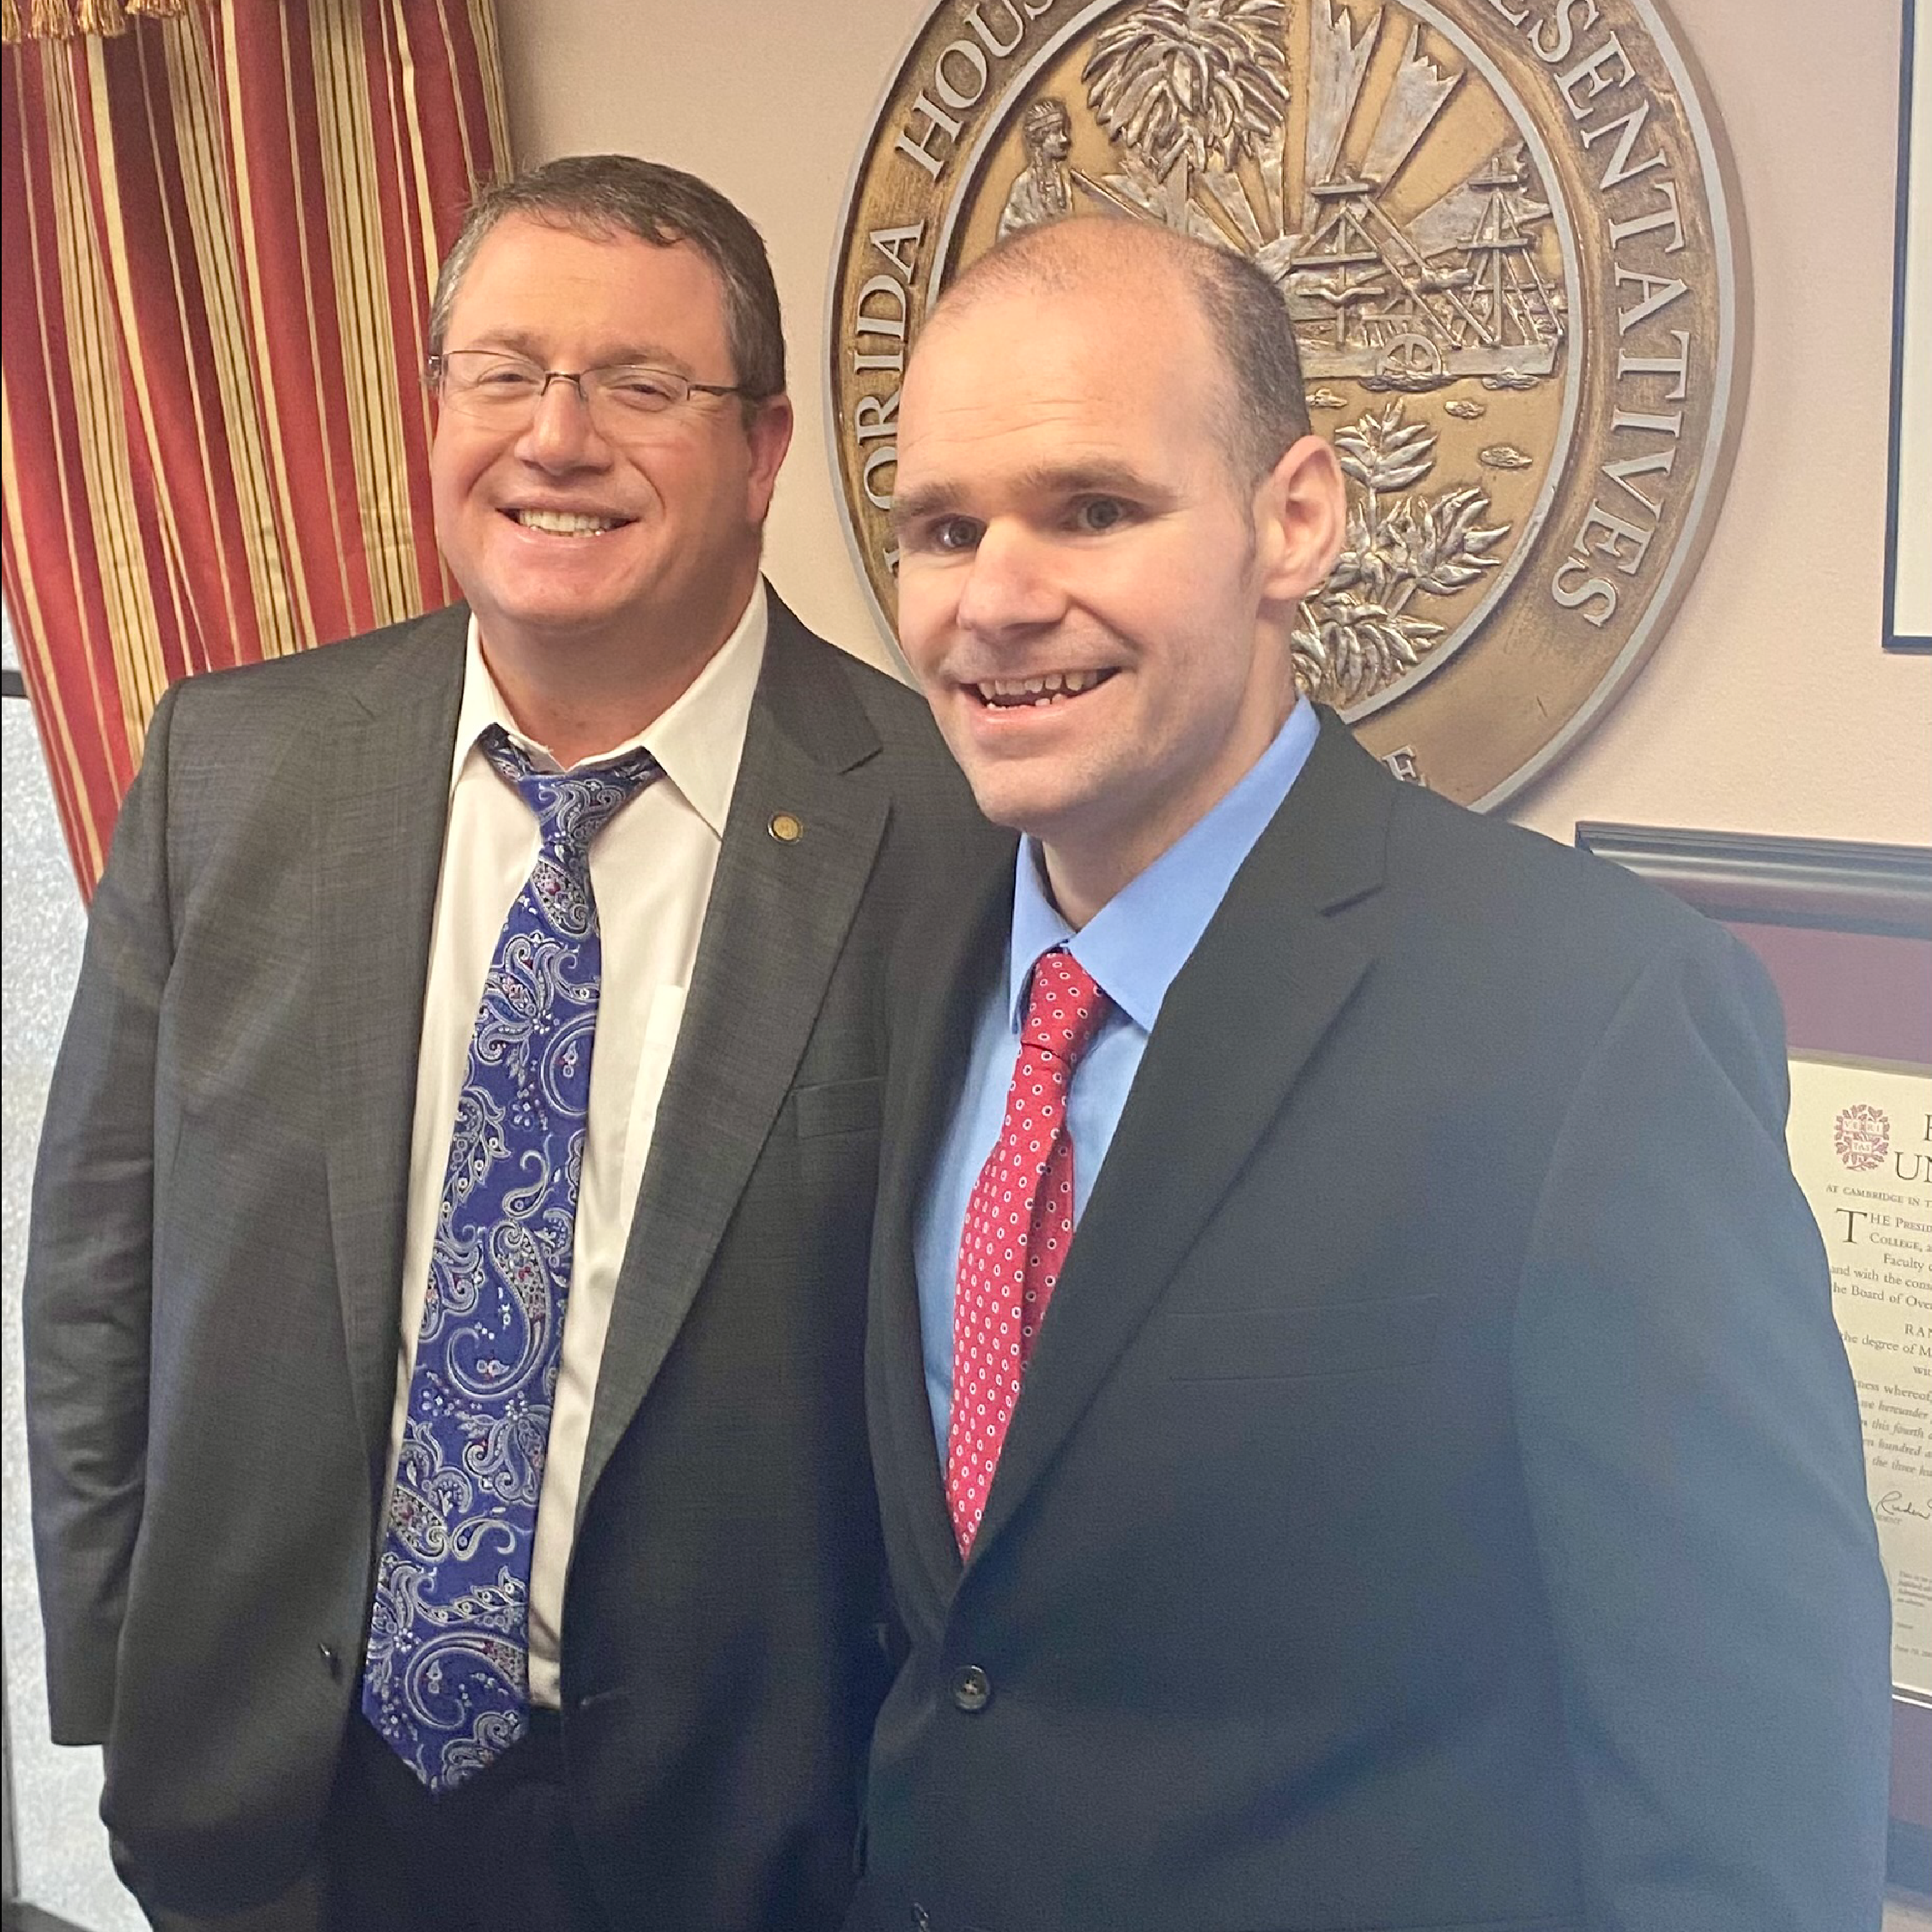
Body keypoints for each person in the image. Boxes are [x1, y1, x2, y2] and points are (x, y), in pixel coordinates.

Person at [856, 214, 1893, 1931]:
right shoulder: (900, 953)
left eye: (1094, 509)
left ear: (1296, 519)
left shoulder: (1593, 1023)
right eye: (943, 528)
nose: (999, 595)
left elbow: (1747, 1818)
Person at [25, 154, 987, 1932]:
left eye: (640, 384)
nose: (558, 436)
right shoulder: (233, 769)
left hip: (733, 1839)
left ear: (765, 450)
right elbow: (100, 1268)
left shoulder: (950, 833)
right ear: (438, 406)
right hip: (269, 1809)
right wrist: (117, 1686)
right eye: (506, 372)